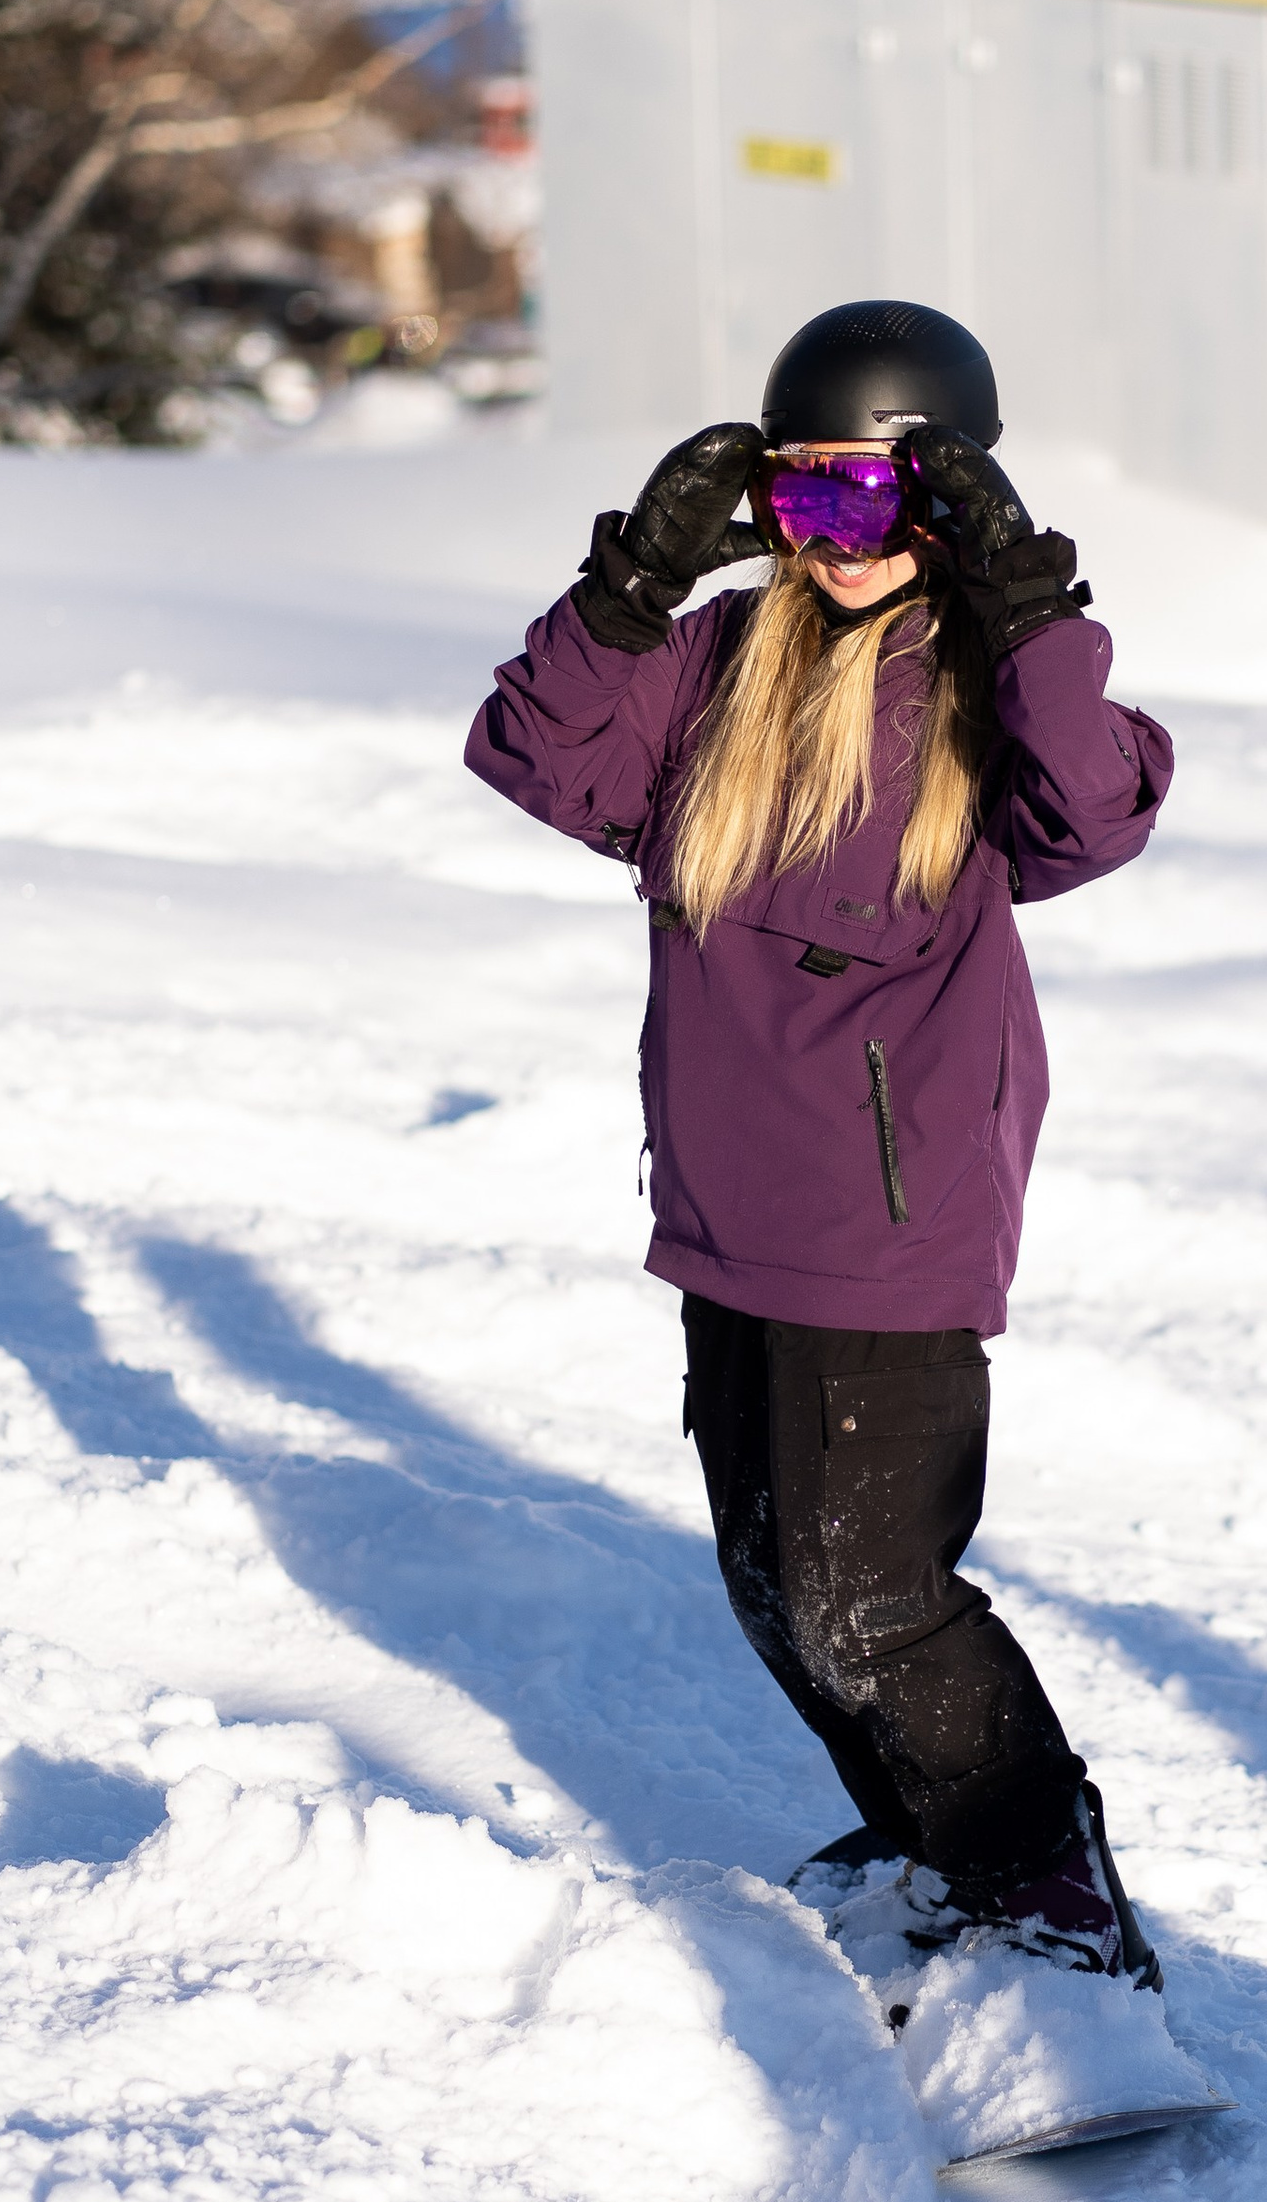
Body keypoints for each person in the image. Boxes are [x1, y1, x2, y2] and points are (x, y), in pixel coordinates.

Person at [465, 299, 1175, 1981]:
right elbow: (528, 751)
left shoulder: (992, 691)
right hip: (730, 1208)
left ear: (949, 500)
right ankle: (929, 1853)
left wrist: (1034, 611)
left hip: (889, 1215)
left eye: (869, 501)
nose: (833, 543)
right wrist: (628, 591)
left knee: (878, 1596)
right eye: (799, 503)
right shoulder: (713, 665)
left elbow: (1095, 816)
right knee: (779, 1584)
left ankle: (1053, 1909)